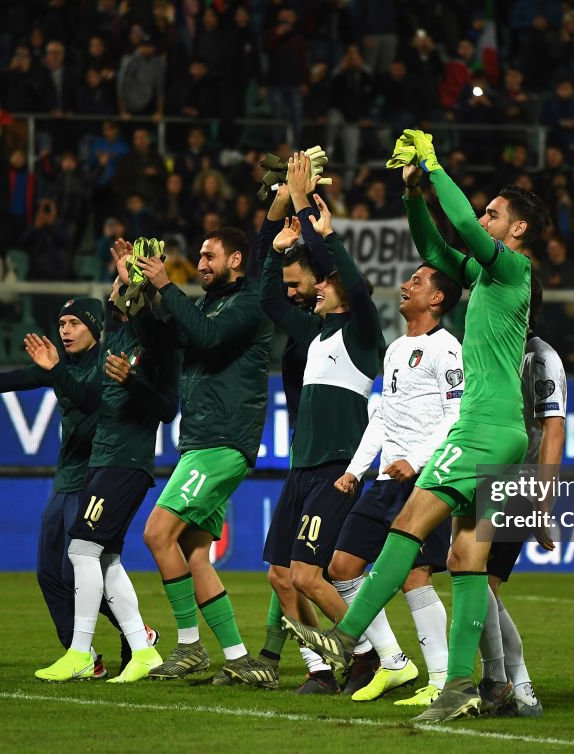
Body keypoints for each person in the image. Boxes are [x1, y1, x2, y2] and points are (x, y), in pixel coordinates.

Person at [284, 129, 549, 723]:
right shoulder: (488, 278)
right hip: (497, 430)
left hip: (480, 427)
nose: (484, 218)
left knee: (407, 524)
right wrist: (411, 194)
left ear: (518, 229)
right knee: (465, 561)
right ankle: (464, 686)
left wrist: (433, 167)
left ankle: (346, 637)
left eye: (495, 214)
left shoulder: (511, 269)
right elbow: (435, 243)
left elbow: (464, 227)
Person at [0, 297, 153, 678]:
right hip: (65, 478)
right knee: (49, 572)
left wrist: (55, 371)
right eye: (61, 323)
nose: (65, 330)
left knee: (76, 569)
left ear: (94, 327)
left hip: (96, 477)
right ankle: (84, 657)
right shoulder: (59, 367)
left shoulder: (106, 363)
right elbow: (6, 380)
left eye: (74, 323)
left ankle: (138, 637)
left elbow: (92, 401)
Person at [260, 153, 384, 694]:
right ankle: (318, 667)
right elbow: (268, 297)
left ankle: (374, 653)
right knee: (281, 576)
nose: (314, 289)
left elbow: (353, 284)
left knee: (314, 574)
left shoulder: (361, 334)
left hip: (336, 466)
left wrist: (311, 212)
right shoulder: (312, 337)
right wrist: (277, 246)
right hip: (300, 468)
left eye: (323, 283)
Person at [135, 227, 277, 686]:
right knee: (195, 554)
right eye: (198, 256)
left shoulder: (248, 303)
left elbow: (209, 337)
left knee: (157, 534)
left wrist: (164, 286)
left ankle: (190, 646)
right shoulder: (204, 305)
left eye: (209, 256)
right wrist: (136, 298)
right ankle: (237, 656)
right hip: (201, 441)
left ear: (236, 259)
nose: (201, 263)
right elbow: (168, 339)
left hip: (222, 442)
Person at [35, 259, 179, 682]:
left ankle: (80, 652)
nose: (117, 288)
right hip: (101, 462)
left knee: (81, 549)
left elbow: (168, 409)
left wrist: (133, 381)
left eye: (125, 283)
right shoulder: (114, 335)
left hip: (126, 463)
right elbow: (86, 397)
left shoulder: (158, 342)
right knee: (104, 558)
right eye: (116, 282)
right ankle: (143, 649)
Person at [328, 263, 462, 704]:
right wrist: (355, 468)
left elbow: (455, 417)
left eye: (417, 282)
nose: (405, 286)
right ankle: (393, 662)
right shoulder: (395, 350)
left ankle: (441, 682)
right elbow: (382, 415)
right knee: (343, 566)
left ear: (437, 299)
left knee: (415, 576)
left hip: (426, 481)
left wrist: (418, 461)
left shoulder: (447, 349)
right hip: (387, 479)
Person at [479, 277, 566, 717]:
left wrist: (543, 502)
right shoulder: (490, 347)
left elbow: (553, 427)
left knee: (482, 582)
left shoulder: (542, 358)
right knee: (476, 582)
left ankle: (508, 681)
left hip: (517, 481)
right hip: (479, 473)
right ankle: (514, 682)